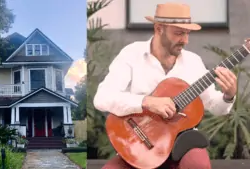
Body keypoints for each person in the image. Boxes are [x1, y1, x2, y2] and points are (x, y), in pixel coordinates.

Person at [93, 2, 237, 169]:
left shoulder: (193, 62)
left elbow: (214, 105)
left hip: (183, 145)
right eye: (179, 33)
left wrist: (228, 95)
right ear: (159, 28)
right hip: (139, 149)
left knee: (198, 165)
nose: (185, 40)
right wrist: (147, 102)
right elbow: (102, 98)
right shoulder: (131, 54)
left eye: (187, 33)